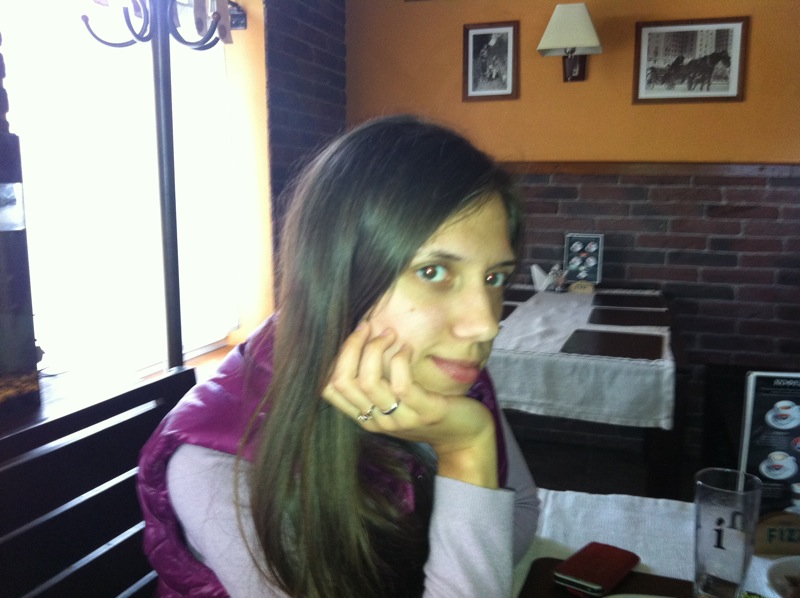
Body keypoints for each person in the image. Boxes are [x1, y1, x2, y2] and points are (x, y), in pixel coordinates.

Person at [137, 114, 540, 597]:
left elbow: (520, 511)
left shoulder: (440, 366)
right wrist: (466, 454)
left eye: (494, 278)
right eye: (433, 271)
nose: (486, 323)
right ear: (337, 276)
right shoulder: (220, 466)